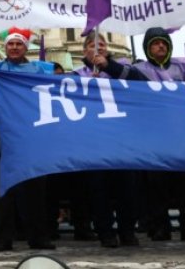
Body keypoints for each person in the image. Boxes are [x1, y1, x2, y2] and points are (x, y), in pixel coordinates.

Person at [95, 27, 185, 243]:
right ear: (147, 48)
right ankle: (160, 226)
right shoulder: (138, 69)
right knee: (156, 185)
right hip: (152, 136)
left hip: (180, 135)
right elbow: (123, 79)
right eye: (155, 43)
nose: (160, 46)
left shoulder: (182, 68)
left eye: (164, 42)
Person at [0, 27, 56, 252]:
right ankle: (2, 238)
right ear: (5, 47)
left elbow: (55, 93)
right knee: (4, 189)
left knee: (36, 187)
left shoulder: (39, 70)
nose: (15, 47)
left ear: (25, 47)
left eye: (19, 44)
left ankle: (39, 237)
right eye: (11, 44)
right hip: (5, 136)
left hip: (32, 136)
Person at [73, 34, 138, 248]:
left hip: (121, 139)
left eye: (102, 45)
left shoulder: (123, 69)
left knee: (126, 189)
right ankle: (106, 232)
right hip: (93, 141)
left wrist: (109, 67)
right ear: (84, 52)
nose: (98, 48)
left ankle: (128, 231)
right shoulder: (76, 75)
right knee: (99, 190)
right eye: (92, 45)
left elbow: (142, 82)